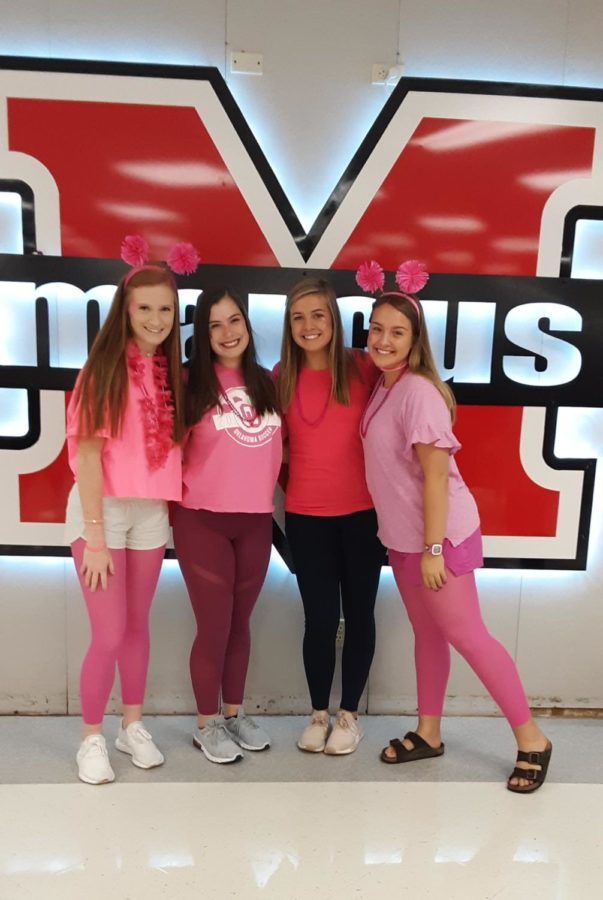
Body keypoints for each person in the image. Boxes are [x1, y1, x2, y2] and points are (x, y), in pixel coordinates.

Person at [360, 283, 552, 793]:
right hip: (403, 541)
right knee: (430, 636)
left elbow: (437, 478)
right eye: (377, 329)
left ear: (415, 339)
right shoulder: (385, 384)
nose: (383, 339)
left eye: (397, 332)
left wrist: (434, 548)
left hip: (438, 542)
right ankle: (429, 733)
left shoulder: (419, 392)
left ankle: (532, 739)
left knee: (469, 637)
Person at [65, 265, 184, 785]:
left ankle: (130, 726)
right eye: (144, 307)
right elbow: (88, 457)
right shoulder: (102, 369)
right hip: (103, 511)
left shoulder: (171, 372)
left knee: (137, 627)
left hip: (151, 511)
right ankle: (91, 738)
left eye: (165, 308)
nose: (155, 318)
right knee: (109, 632)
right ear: (125, 310)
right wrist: (95, 534)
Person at [172, 287, 282, 764]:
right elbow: (164, 455)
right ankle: (205, 724)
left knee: (241, 626)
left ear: (247, 324)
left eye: (234, 320)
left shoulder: (266, 380)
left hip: (256, 521)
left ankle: (234, 715)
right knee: (213, 627)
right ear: (202, 334)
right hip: (202, 522)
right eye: (214, 325)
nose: (226, 333)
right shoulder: (188, 382)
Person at [277, 277, 384, 755]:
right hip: (306, 518)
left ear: (335, 319)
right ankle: (318, 713)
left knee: (360, 614)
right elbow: (271, 453)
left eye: (318, 314)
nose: (308, 325)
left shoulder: (363, 366)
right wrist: (300, 487)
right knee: (319, 620)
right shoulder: (280, 374)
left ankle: (349, 714)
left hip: (364, 518)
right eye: (298, 317)